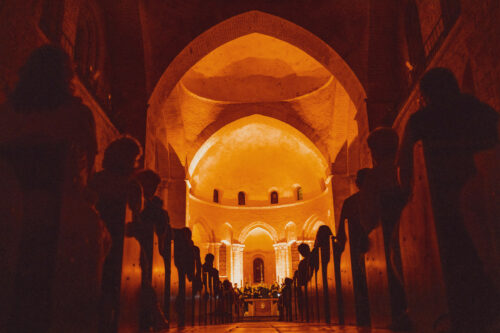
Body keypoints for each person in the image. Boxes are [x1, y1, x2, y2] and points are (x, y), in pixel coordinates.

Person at [0, 44, 103, 332]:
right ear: (67, 76)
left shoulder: (6, 113)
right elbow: (88, 175)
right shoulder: (78, 115)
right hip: (59, 219)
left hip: (7, 217)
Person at [398, 67, 499, 332]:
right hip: (491, 194)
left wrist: (408, 196)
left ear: (424, 95)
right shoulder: (483, 112)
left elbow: (405, 168)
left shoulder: (421, 121)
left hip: (440, 209)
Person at [88, 136, 143, 333]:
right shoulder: (132, 187)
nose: (134, 163)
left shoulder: (96, 180)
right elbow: (136, 223)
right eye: (134, 158)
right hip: (118, 246)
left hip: (91, 241)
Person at [128, 169, 168, 331]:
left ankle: (154, 311)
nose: (148, 189)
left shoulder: (156, 210)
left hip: (141, 248)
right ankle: (155, 311)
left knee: (143, 271)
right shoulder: (131, 195)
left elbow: (161, 236)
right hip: (134, 245)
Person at [336, 169, 371, 326]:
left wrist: (340, 252)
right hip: (366, 247)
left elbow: (341, 236)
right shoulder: (387, 193)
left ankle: (364, 313)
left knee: (362, 284)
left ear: (357, 183)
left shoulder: (351, 203)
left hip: (358, 250)